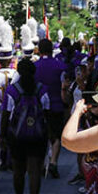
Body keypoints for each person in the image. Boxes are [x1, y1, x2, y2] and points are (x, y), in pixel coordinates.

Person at [3, 58, 50, 194]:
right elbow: (46, 113)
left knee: (18, 170)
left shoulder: (12, 90)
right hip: (37, 136)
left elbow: (5, 115)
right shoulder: (41, 90)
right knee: (34, 170)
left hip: (17, 136)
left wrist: (3, 136)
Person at [35, 38, 68, 179]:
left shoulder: (35, 66)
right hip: (56, 105)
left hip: (38, 106)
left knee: (42, 135)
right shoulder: (60, 66)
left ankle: (42, 164)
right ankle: (53, 161)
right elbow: (64, 86)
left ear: (39, 50)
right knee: (56, 135)